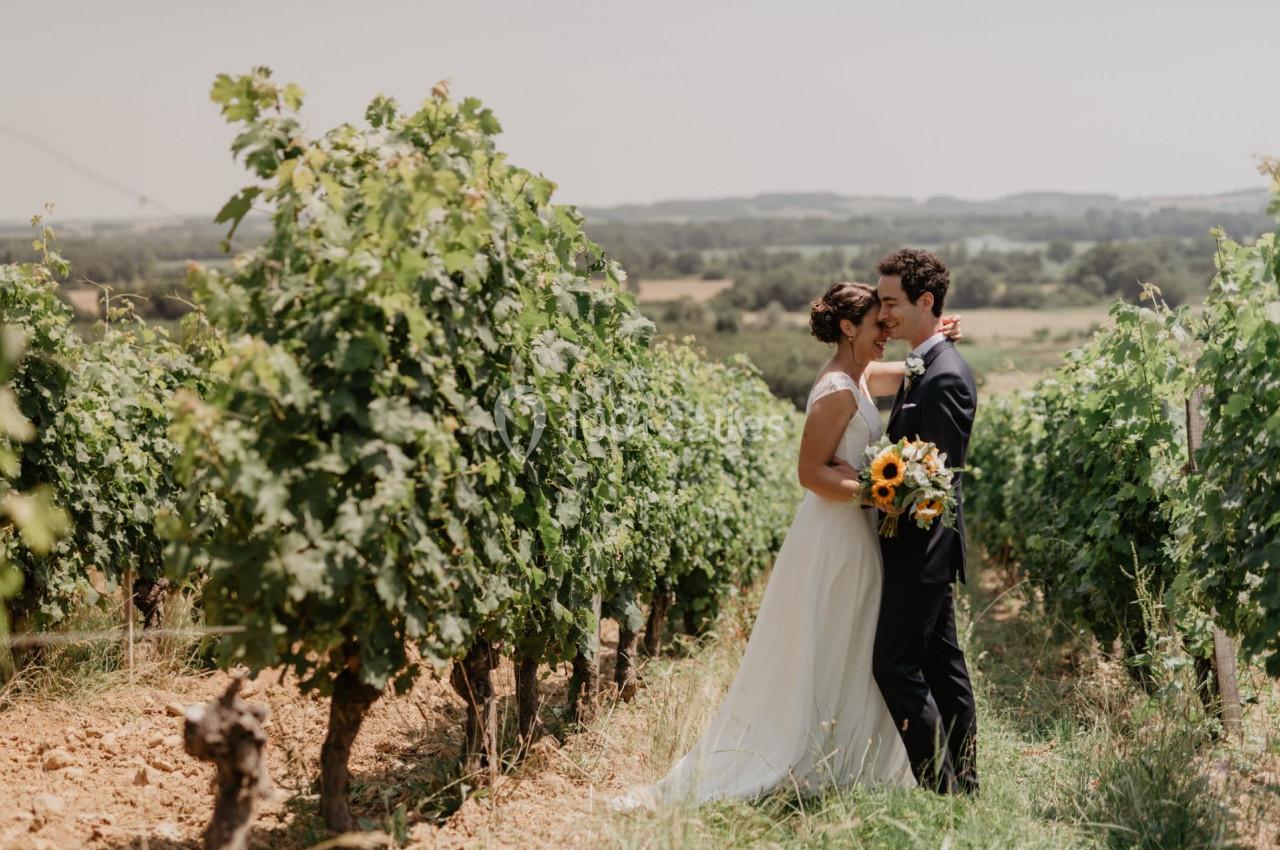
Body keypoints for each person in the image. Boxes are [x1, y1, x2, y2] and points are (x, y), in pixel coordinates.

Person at [607, 281, 963, 811]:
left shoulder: (860, 376)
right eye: (877, 325)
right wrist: (875, 492)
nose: (886, 333)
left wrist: (934, 340)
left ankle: (844, 755)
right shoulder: (837, 389)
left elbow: (906, 372)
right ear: (848, 328)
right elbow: (809, 472)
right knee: (828, 638)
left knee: (852, 640)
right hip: (834, 535)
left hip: (857, 533)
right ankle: (803, 751)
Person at [869, 248, 980, 796]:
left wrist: (865, 485)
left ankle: (945, 788)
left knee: (893, 666)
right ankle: (966, 786)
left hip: (923, 548)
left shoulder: (945, 379)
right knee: (942, 665)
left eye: (891, 302)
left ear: (926, 301)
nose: (883, 312)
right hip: (916, 548)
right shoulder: (923, 367)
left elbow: (936, 480)